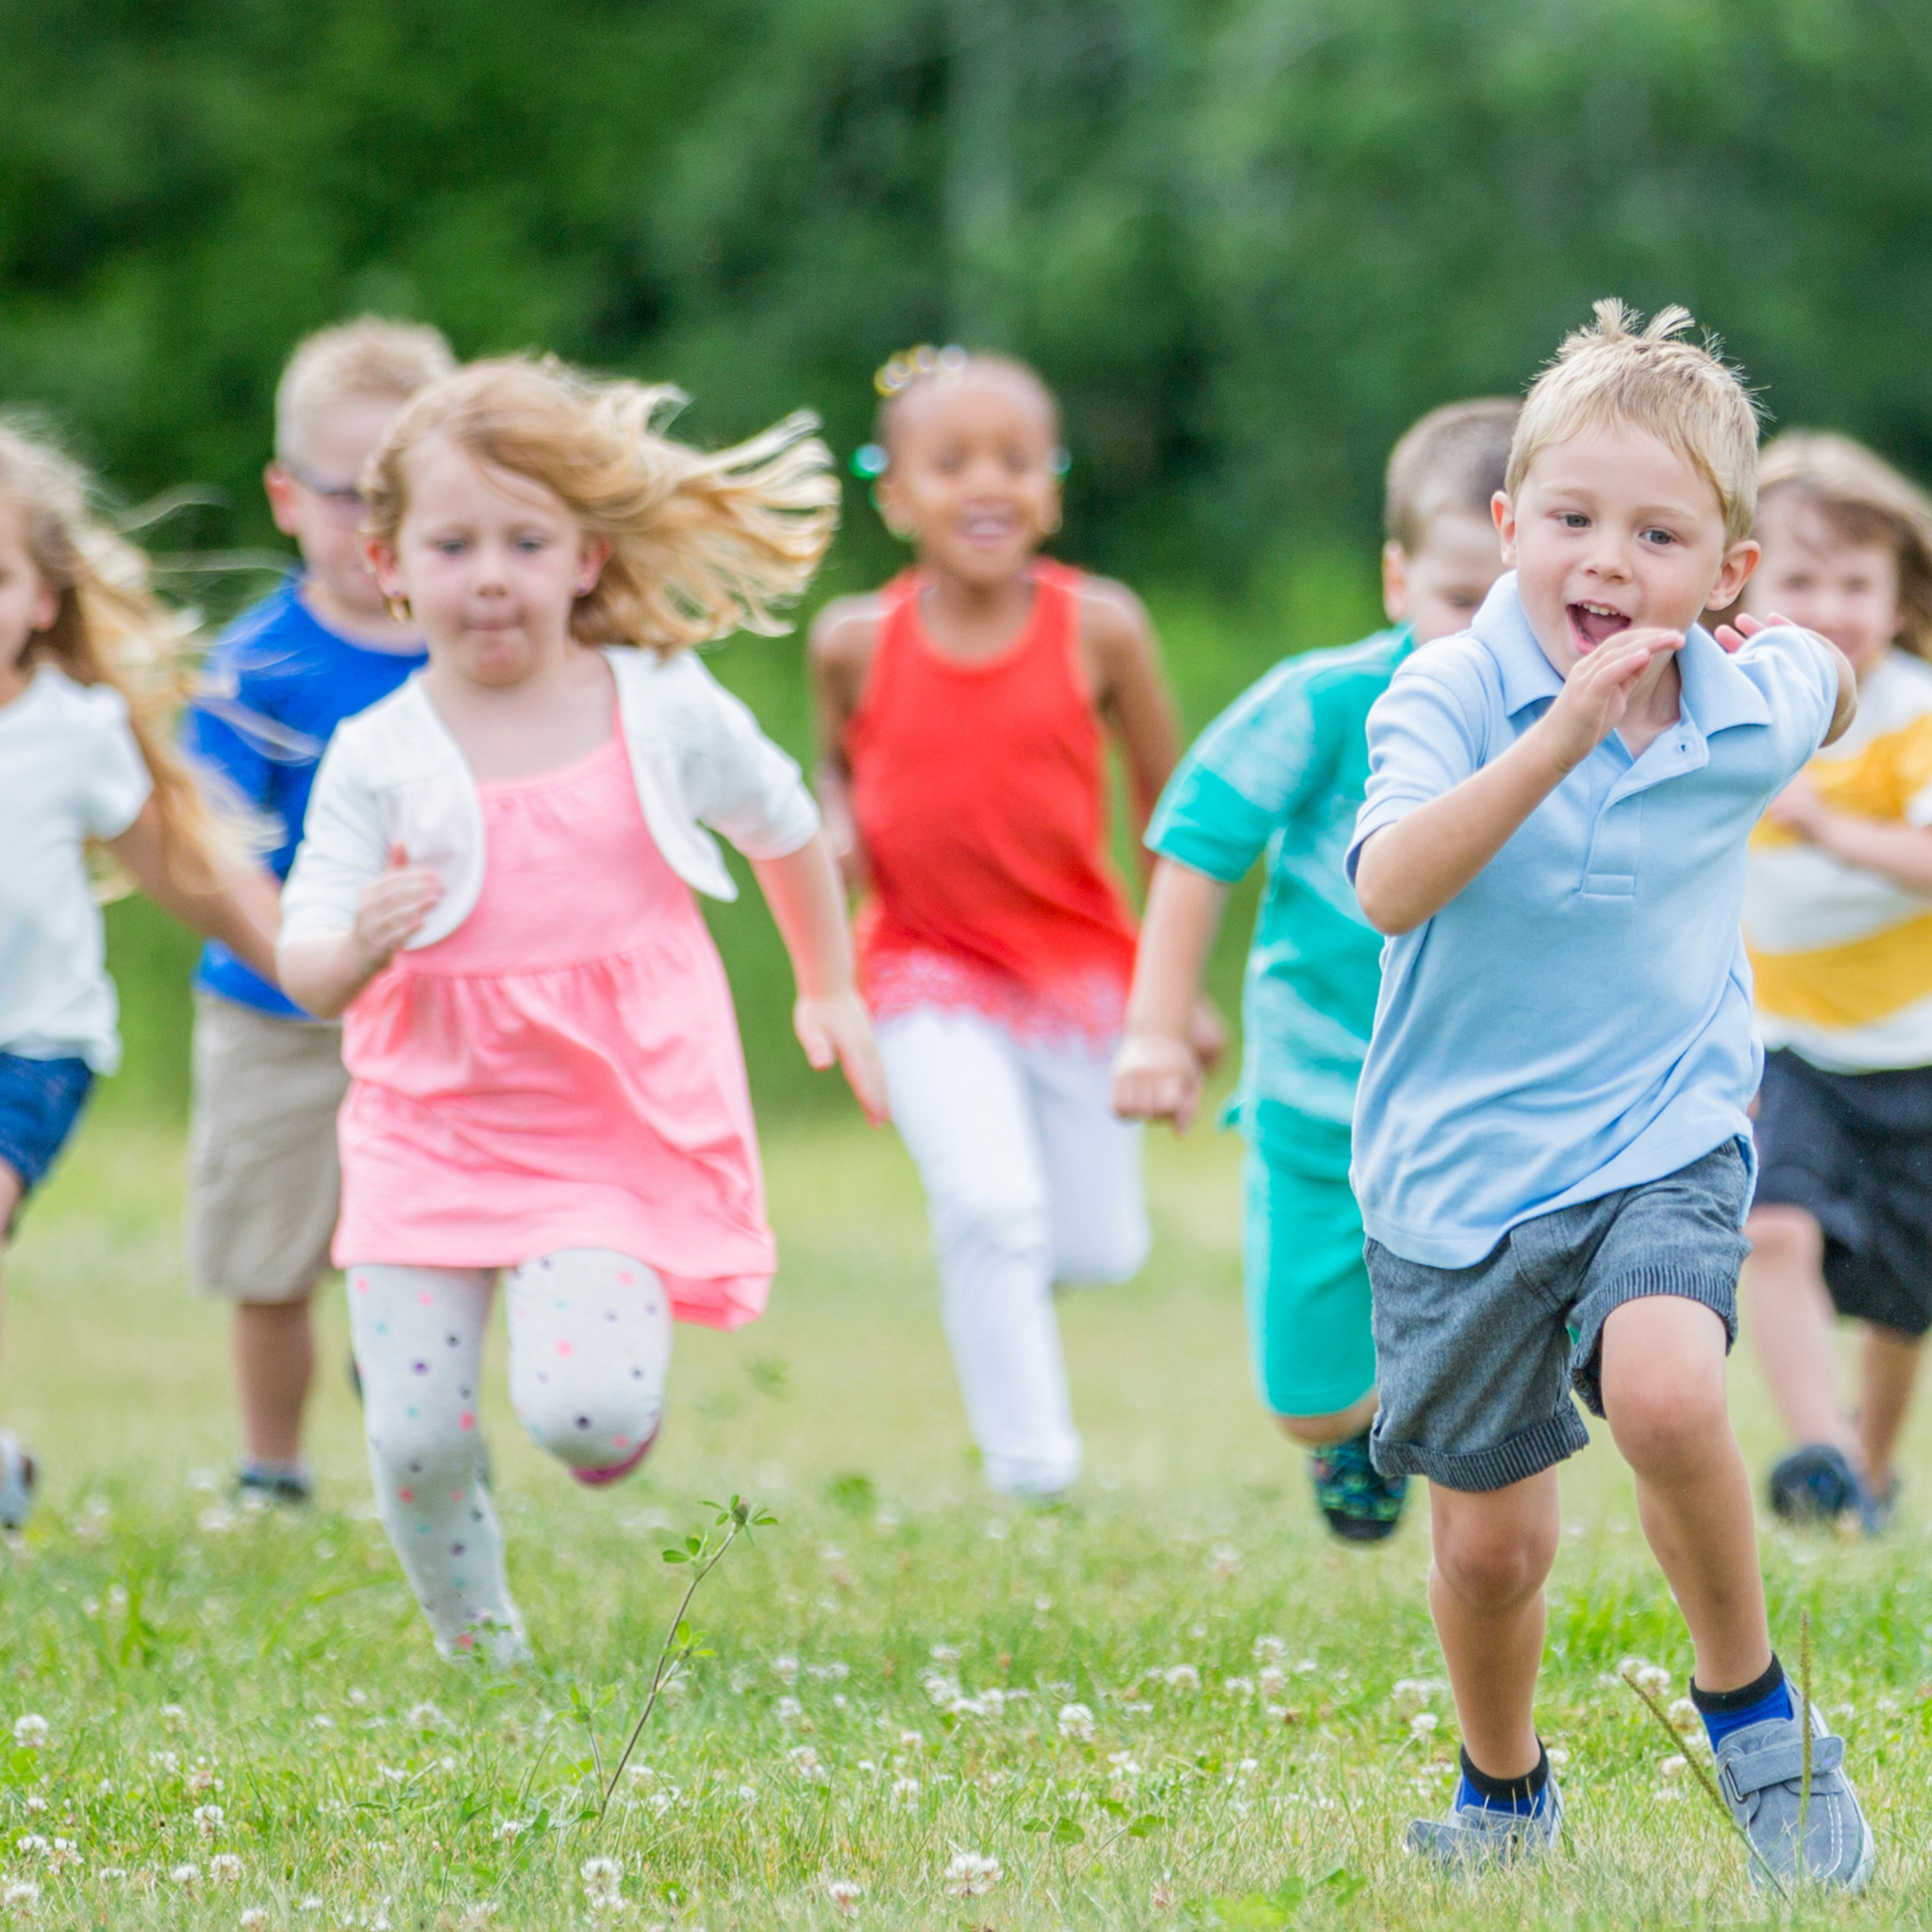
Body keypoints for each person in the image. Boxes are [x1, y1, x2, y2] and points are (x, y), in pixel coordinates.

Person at [1347, 303, 1871, 1885]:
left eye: (1654, 533)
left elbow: (1824, 679)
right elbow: (1386, 883)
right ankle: (1500, 1787)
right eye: (1567, 519)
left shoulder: (1739, 693)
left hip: (1664, 1133)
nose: (1601, 557)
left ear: (1720, 571)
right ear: (1506, 528)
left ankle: (1753, 1714)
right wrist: (1555, 735)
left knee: (1659, 1388)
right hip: (1453, 1181)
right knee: (1490, 1546)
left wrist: (1808, 677)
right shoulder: (1441, 694)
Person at [277, 356, 886, 1660]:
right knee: (412, 1432)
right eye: (452, 544)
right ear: (388, 562)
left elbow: (783, 826)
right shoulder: (378, 753)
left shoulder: (657, 706)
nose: (489, 573)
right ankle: (478, 1647)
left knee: (587, 1417)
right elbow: (306, 954)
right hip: (423, 1120)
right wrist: (355, 954)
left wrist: (829, 985)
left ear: (586, 560)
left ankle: (612, 1409)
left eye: (524, 540)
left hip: (610, 1116)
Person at [1113, 399, 1516, 1542]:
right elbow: (1196, 837)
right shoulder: (1327, 701)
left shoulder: (1569, 726)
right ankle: (1356, 1425)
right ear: (1394, 580)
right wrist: (1154, 1025)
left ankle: (1463, 1440)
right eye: (1455, 600)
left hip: (1484, 1105)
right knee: (1307, 1400)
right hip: (1317, 1098)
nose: (1482, 634)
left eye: (1511, 601)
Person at [809, 345, 1204, 1500]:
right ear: (893, 494)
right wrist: (835, 825)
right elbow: (831, 767)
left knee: (1089, 1246)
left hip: (1080, 973)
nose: (985, 483)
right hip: (922, 967)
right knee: (989, 1205)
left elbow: (1173, 812)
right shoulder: (850, 640)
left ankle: (1020, 1274)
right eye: (950, 462)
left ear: (1052, 486)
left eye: (1015, 460)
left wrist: (1171, 1000)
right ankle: (1034, 1473)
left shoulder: (1101, 628)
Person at [184, 317, 456, 1507]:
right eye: (350, 496)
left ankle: (429, 1441)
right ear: (287, 497)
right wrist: (304, 957)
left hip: (442, 1009)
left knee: (435, 1252)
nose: (376, 526)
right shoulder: (257, 669)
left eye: (404, 494)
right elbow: (215, 849)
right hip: (279, 1009)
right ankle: (272, 1468)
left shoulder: (473, 646)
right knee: (273, 1256)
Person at [0, 420, 281, 1527]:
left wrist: (311, 972)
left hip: (31, 1049)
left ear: (43, 602)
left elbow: (190, 874)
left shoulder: (77, 731)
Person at [1734, 433, 1932, 1531]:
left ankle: (1870, 1461)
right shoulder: (1733, 707)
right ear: (1745, 581)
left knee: (1906, 1300)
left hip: (1913, 1048)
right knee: (1774, 1225)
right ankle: (1817, 1449)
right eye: (1798, 580)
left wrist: (1827, 825)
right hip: (1783, 1040)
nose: (1829, 605)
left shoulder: (1911, 712)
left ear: (1898, 592)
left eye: (1855, 582)